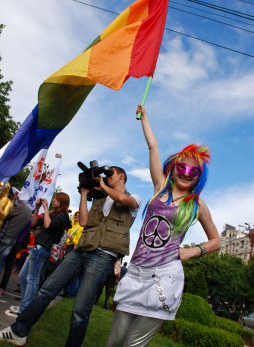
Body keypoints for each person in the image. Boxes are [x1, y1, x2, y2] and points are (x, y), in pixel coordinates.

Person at [106, 105, 221, 347]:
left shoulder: (197, 206)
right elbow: (153, 147)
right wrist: (145, 118)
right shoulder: (160, 188)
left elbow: (216, 241)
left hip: (164, 279)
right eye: (182, 167)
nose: (186, 173)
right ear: (174, 167)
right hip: (136, 273)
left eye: (194, 170)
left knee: (133, 345)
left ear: (200, 176)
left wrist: (192, 251)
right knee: (115, 342)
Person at [0, 166, 141, 347]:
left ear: (121, 176)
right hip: (81, 249)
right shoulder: (100, 198)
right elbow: (83, 221)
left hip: (103, 256)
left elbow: (122, 199)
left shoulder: (133, 197)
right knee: (46, 290)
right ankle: (19, 332)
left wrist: (103, 187)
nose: (105, 178)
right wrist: (84, 194)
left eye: (109, 175)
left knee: (80, 309)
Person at [5, 192, 71, 318]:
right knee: (23, 277)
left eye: (56, 200)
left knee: (32, 279)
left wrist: (45, 208)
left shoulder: (62, 217)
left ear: (62, 202)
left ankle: (24, 310)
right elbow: (33, 222)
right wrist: (36, 208)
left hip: (43, 249)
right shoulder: (53, 214)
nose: (53, 201)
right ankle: (25, 306)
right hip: (36, 248)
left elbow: (48, 225)